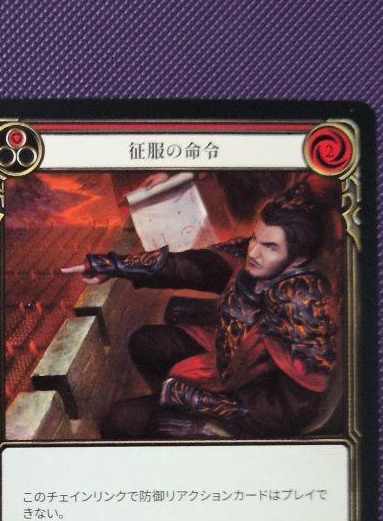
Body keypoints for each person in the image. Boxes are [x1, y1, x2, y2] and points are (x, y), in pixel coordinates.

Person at [61, 179, 338, 440]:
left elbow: (286, 412)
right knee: (147, 342)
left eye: (270, 247)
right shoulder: (257, 260)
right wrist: (113, 266)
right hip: (230, 363)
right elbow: (196, 266)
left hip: (249, 409)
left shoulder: (304, 310)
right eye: (255, 238)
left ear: (297, 260)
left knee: (119, 421)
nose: (253, 251)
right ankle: (164, 409)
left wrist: (196, 401)